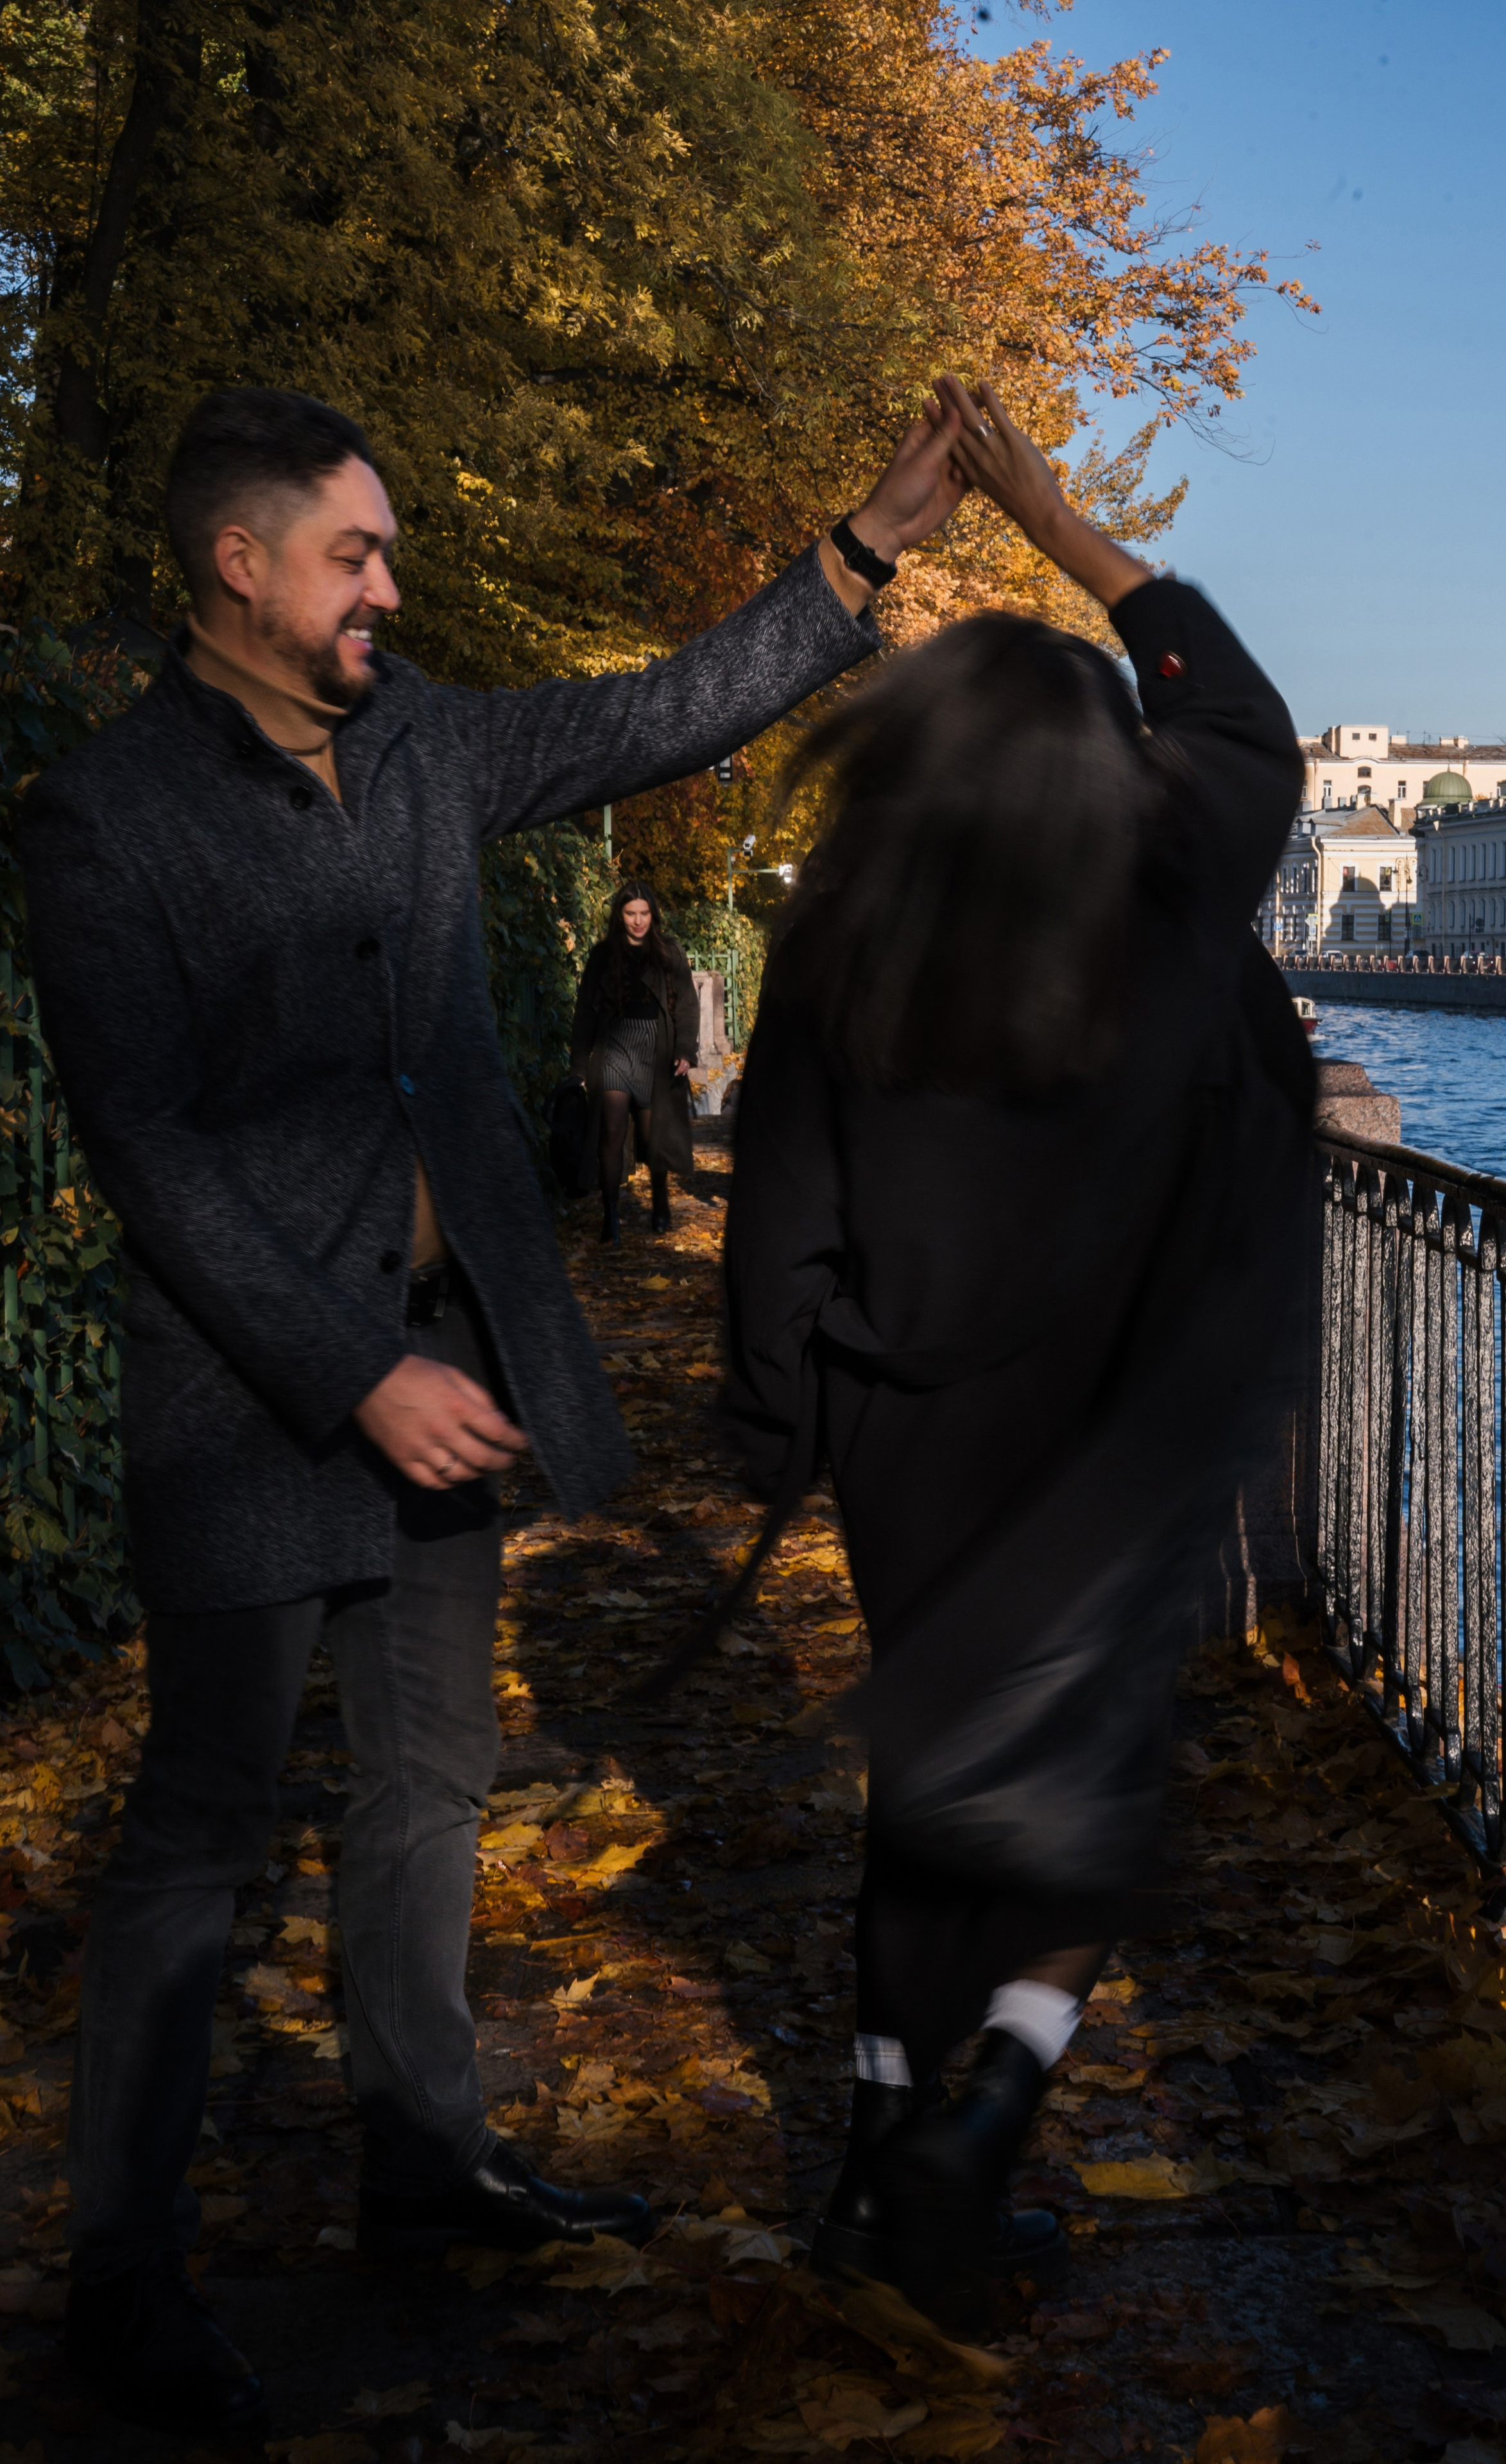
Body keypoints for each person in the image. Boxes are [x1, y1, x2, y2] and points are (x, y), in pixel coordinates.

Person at [19, 378, 974, 2436]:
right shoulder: (104, 817)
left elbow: (661, 705)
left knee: (431, 1781)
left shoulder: (431, 738)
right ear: (238, 566)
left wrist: (861, 546)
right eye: (354, 553)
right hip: (259, 1404)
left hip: (452, 1368)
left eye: (389, 552)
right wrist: (353, 1369)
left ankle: (425, 2157)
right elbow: (154, 1151)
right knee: (197, 1830)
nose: (390, 584)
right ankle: (122, 2277)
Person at [721, 378, 1315, 2330]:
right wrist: (1063, 523)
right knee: (1081, 1792)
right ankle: (986, 2113)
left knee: (920, 1777)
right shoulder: (1163, 903)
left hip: (905, 1433)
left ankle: (879, 2151)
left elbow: (777, 1219)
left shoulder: (840, 954)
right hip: (1111, 1438)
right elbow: (1238, 722)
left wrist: (777, 1420)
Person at [569, 883, 699, 1243]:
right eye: (631, 914)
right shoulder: (603, 955)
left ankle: (660, 1199)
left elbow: (687, 1004)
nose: (638, 921)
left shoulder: (669, 952)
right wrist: (579, 1067)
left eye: (644, 913)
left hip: (656, 1049)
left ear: (653, 915)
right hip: (614, 1048)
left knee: (651, 1136)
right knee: (611, 1131)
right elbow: (584, 1013)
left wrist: (686, 1050)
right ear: (620, 916)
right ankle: (610, 1214)